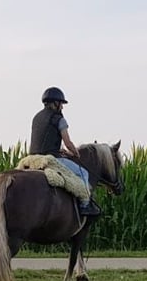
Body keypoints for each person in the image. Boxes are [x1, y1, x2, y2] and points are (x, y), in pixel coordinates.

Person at [29, 86, 101, 216]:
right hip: (50, 159)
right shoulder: (59, 119)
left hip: (32, 158)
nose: (62, 107)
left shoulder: (36, 118)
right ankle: (85, 205)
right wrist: (75, 153)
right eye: (61, 104)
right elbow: (68, 142)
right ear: (55, 103)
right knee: (84, 173)